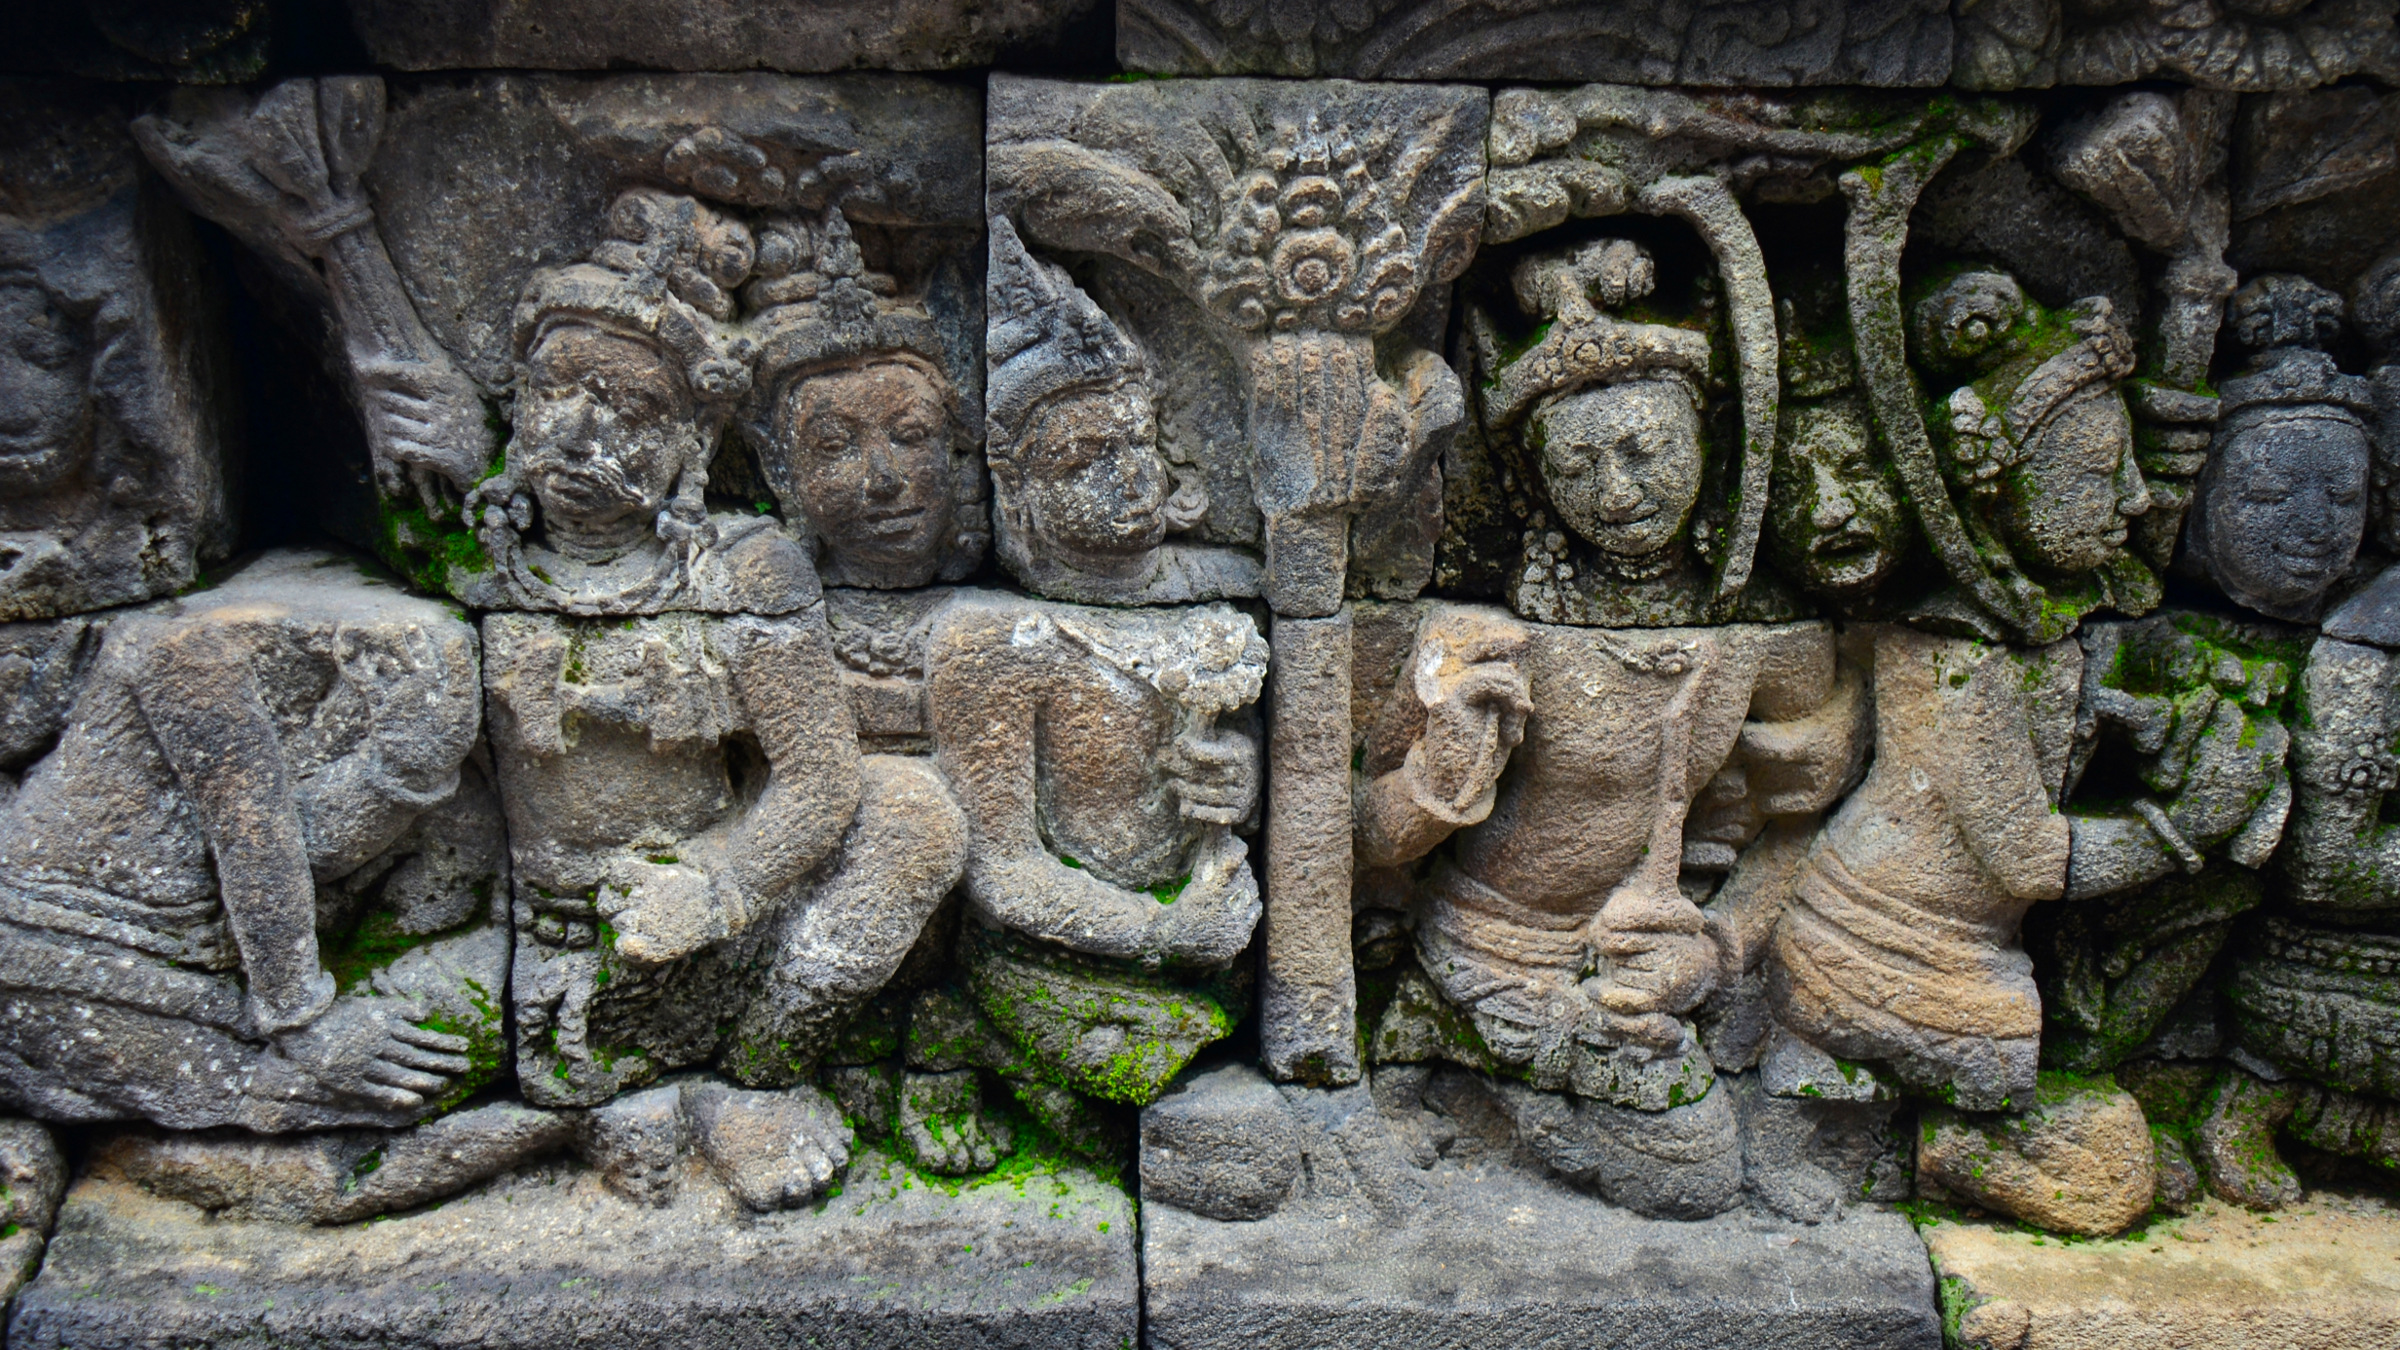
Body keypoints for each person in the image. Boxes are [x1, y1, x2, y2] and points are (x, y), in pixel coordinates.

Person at [0, 555, 493, 1132]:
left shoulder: (331, 689)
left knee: (449, 1032)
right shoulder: (181, 651)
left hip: (199, 953)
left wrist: (408, 765)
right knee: (316, 1093)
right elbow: (253, 838)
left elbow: (305, 847)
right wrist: (304, 1025)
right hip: (66, 947)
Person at [463, 188, 810, 616]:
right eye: (554, 391)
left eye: (630, 409)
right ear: (521, 404)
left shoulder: (755, 574)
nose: (577, 438)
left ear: (699, 439)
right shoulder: (454, 556)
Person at [983, 217, 1258, 605]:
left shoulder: (1234, 580)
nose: (1131, 478)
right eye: (1084, 461)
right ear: (1015, 488)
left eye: (1141, 441)